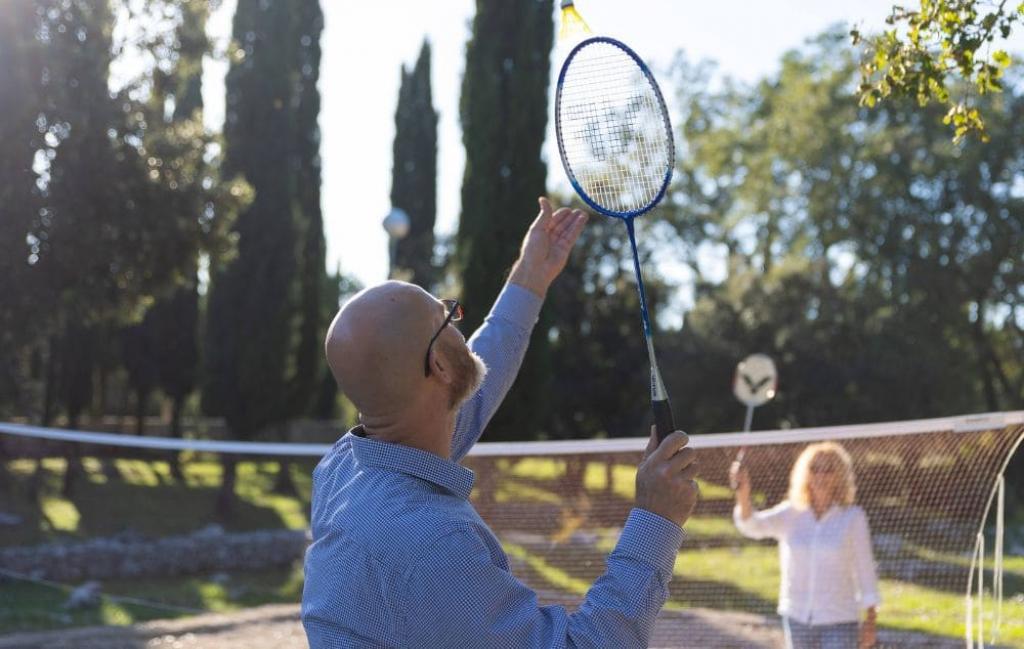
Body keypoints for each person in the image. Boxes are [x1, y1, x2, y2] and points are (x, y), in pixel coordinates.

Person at [302, 197, 701, 648]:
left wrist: (530, 277)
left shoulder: (345, 470)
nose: (458, 323)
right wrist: (656, 519)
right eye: (448, 316)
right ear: (439, 365)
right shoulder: (434, 543)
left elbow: (476, 377)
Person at [730, 442, 880, 649]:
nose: (821, 475)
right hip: (796, 616)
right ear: (805, 473)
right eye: (814, 468)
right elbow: (751, 525)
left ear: (840, 475)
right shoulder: (791, 513)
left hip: (840, 620)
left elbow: (866, 572)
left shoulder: (853, 518)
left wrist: (870, 620)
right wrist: (743, 493)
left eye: (828, 469)